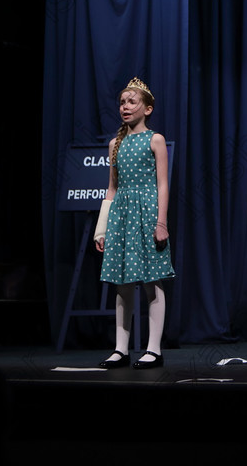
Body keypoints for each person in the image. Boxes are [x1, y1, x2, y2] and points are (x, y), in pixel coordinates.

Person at [94, 77, 175, 369]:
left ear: (148, 108)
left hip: (148, 213)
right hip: (122, 215)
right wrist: (102, 228)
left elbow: (163, 184)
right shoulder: (115, 144)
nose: (125, 107)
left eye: (132, 102)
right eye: (122, 102)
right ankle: (121, 348)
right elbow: (112, 188)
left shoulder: (155, 139)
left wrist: (161, 222)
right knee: (121, 283)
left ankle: (154, 348)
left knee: (152, 281)